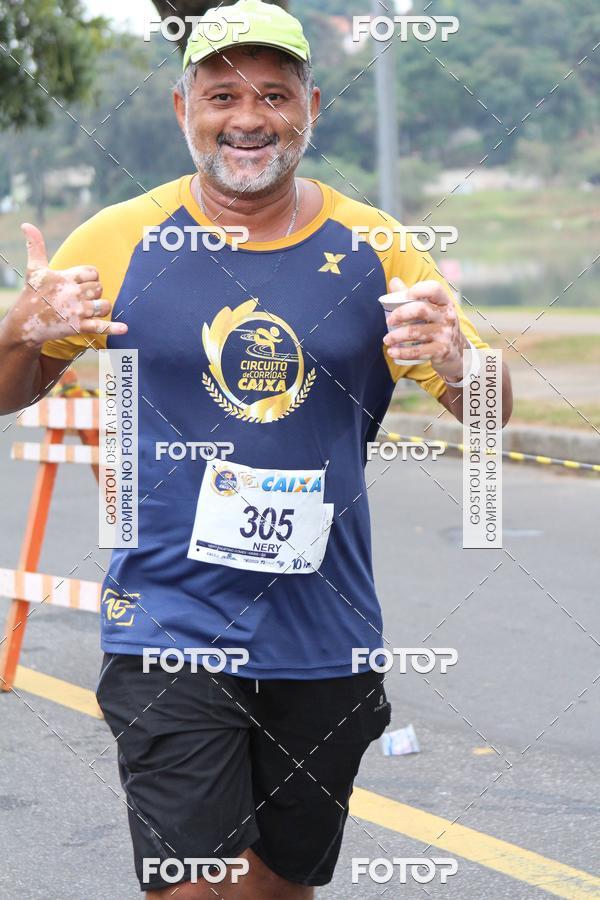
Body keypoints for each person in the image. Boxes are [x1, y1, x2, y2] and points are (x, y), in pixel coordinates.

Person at [0, 1, 513, 896]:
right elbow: (9, 387)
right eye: (222, 93)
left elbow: (490, 409)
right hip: (170, 628)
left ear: (312, 104)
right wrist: (17, 327)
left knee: (279, 890)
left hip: (325, 638)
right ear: (182, 109)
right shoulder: (117, 240)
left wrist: (464, 360)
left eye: (274, 94)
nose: (247, 117)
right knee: (194, 887)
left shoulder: (379, 247)